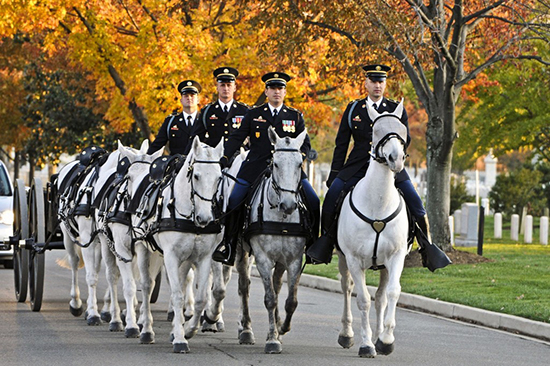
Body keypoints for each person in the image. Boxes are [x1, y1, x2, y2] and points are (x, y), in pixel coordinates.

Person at [307, 64, 432, 265]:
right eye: (373, 81)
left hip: (389, 167)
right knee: (331, 198)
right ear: (366, 83)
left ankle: (427, 248)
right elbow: (341, 144)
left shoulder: (394, 109)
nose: (377, 85)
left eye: (381, 82)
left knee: (416, 204)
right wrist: (335, 174)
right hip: (357, 166)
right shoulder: (354, 109)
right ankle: (327, 243)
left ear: (385, 84)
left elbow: (405, 138)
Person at [212, 72, 320, 266]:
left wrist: (298, 160)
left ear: (285, 92)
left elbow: (305, 146)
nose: (277, 92)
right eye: (273, 89)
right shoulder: (253, 114)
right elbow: (237, 137)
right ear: (266, 91)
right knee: (235, 199)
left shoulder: (294, 116)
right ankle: (229, 245)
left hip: (288, 172)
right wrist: (225, 157)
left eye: (280, 89)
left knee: (313, 200)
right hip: (255, 167)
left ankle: (313, 246)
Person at [186, 67, 250, 152]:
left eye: (229, 85)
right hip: (214, 158)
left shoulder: (245, 110)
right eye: (222, 85)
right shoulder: (207, 111)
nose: (226, 88)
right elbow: (196, 138)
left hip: (238, 156)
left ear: (234, 87)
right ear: (217, 87)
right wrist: (185, 157)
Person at [147, 80, 202, 155]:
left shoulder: (205, 120)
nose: (189, 98)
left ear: (198, 100)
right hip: (177, 165)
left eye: (192, 95)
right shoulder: (171, 121)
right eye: (186, 95)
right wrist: (145, 159)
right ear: (181, 100)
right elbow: (157, 145)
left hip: (200, 164)